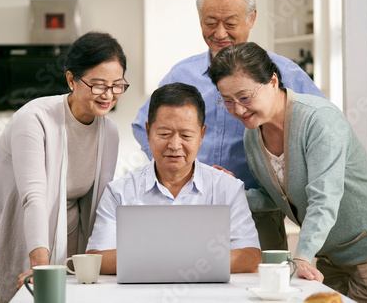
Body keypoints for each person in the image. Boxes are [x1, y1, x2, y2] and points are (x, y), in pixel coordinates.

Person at [208, 41, 367, 303]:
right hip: (331, 251)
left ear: (271, 82)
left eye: (245, 97)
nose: (238, 109)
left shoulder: (319, 121)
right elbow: (279, 197)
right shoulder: (252, 137)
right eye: (227, 101)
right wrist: (235, 192)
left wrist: (301, 256)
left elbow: (323, 199)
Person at [132, 0, 325, 251]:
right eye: (210, 23)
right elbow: (143, 125)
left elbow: (322, 132)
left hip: (257, 213)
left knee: (259, 288)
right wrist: (176, 168)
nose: (220, 33)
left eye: (230, 23)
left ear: (252, 18)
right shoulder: (182, 74)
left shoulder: (284, 74)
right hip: (191, 210)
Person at [0, 31, 130, 302]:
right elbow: (34, 197)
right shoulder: (34, 118)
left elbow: (100, 202)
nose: (109, 95)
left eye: (117, 85)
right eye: (99, 85)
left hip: (69, 239)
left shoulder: (109, 131)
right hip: (17, 230)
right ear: (71, 80)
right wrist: (40, 266)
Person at [87, 83, 261, 274]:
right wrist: (189, 260)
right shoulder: (120, 192)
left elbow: (250, 256)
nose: (175, 145)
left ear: (202, 135)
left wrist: (159, 259)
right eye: (164, 134)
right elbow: (97, 259)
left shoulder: (227, 188)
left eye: (186, 135)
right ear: (148, 132)